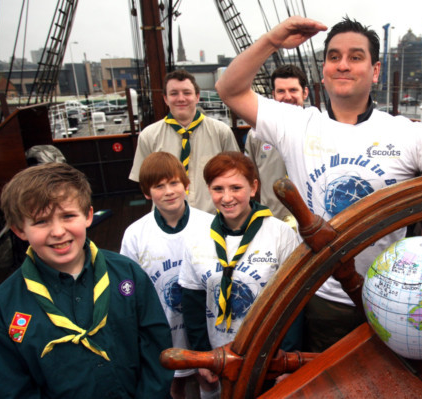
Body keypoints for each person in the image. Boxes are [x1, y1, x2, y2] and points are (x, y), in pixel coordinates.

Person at [215, 16, 422, 352]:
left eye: (355, 57)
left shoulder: (407, 134)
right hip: (321, 298)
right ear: (323, 72)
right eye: (334, 57)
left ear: (375, 71)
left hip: (397, 301)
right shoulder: (295, 125)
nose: (343, 65)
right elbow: (229, 89)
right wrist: (273, 40)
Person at [0, 163, 173, 398]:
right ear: (20, 230)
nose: (58, 231)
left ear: (88, 216)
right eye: (41, 221)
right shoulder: (2, 309)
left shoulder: (128, 274)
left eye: (68, 216)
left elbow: (156, 347)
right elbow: (12, 388)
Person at [178, 152, 301, 394]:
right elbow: (192, 303)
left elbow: (292, 302)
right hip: (219, 355)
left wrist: (287, 360)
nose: (227, 197)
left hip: (267, 353)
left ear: (253, 187)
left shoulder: (280, 234)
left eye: (236, 187)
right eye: (218, 188)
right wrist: (203, 356)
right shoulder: (196, 237)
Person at [120, 152, 215, 399]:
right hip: (162, 327)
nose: (169, 191)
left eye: (174, 183)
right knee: (173, 383)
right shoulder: (135, 234)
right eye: (159, 186)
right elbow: (128, 288)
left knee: (209, 378)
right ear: (146, 192)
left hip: (205, 323)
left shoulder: (210, 225)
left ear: (186, 185)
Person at [129, 69, 239, 213]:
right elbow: (144, 180)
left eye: (187, 93)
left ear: (197, 97)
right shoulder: (148, 136)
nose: (181, 99)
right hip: (167, 218)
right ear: (165, 99)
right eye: (174, 93)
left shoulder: (221, 133)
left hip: (212, 216)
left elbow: (236, 175)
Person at [244, 64, 310, 222]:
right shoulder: (256, 135)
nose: (287, 97)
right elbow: (248, 180)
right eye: (281, 91)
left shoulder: (321, 129)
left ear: (305, 92)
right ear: (273, 95)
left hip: (313, 223)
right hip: (273, 223)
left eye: (293, 90)